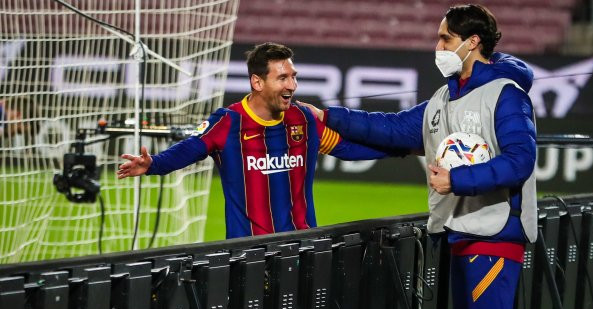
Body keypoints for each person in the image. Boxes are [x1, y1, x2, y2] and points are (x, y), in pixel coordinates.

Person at [301, 5, 536, 309]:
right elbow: (393, 131)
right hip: (460, 233)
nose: (437, 45)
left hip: (495, 234)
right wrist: (327, 119)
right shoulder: (443, 98)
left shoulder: (506, 95)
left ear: (473, 42)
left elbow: (520, 161)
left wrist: (456, 181)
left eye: (446, 38)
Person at [117, 42, 397, 238]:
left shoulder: (302, 118)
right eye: (283, 78)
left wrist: (400, 149)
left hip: (303, 245)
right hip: (248, 253)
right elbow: (190, 148)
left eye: (294, 77)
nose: (292, 85)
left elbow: (344, 147)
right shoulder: (228, 122)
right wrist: (153, 163)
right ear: (257, 82)